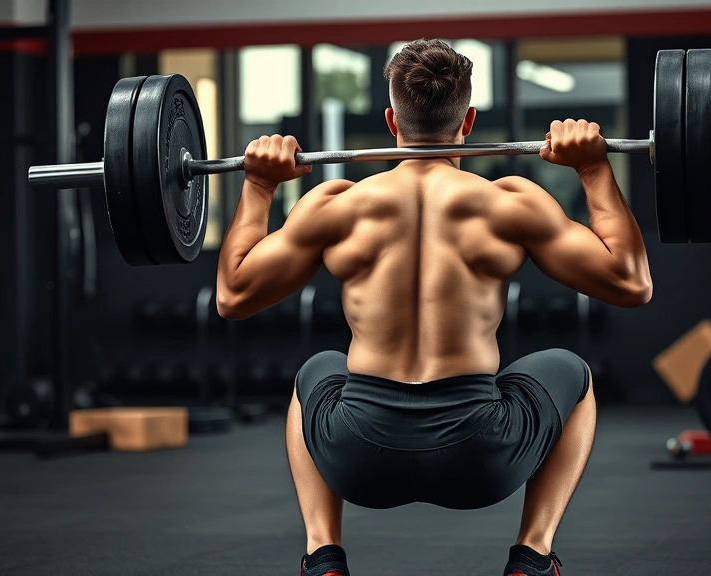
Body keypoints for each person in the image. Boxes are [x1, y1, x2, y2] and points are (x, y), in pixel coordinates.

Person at [216, 38, 652, 576]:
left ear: (391, 120)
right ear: (467, 120)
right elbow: (632, 283)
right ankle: (532, 556)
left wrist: (259, 186)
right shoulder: (508, 203)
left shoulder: (335, 205)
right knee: (571, 373)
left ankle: (323, 555)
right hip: (480, 457)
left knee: (317, 372)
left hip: (359, 454)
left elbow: (232, 296)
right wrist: (593, 170)